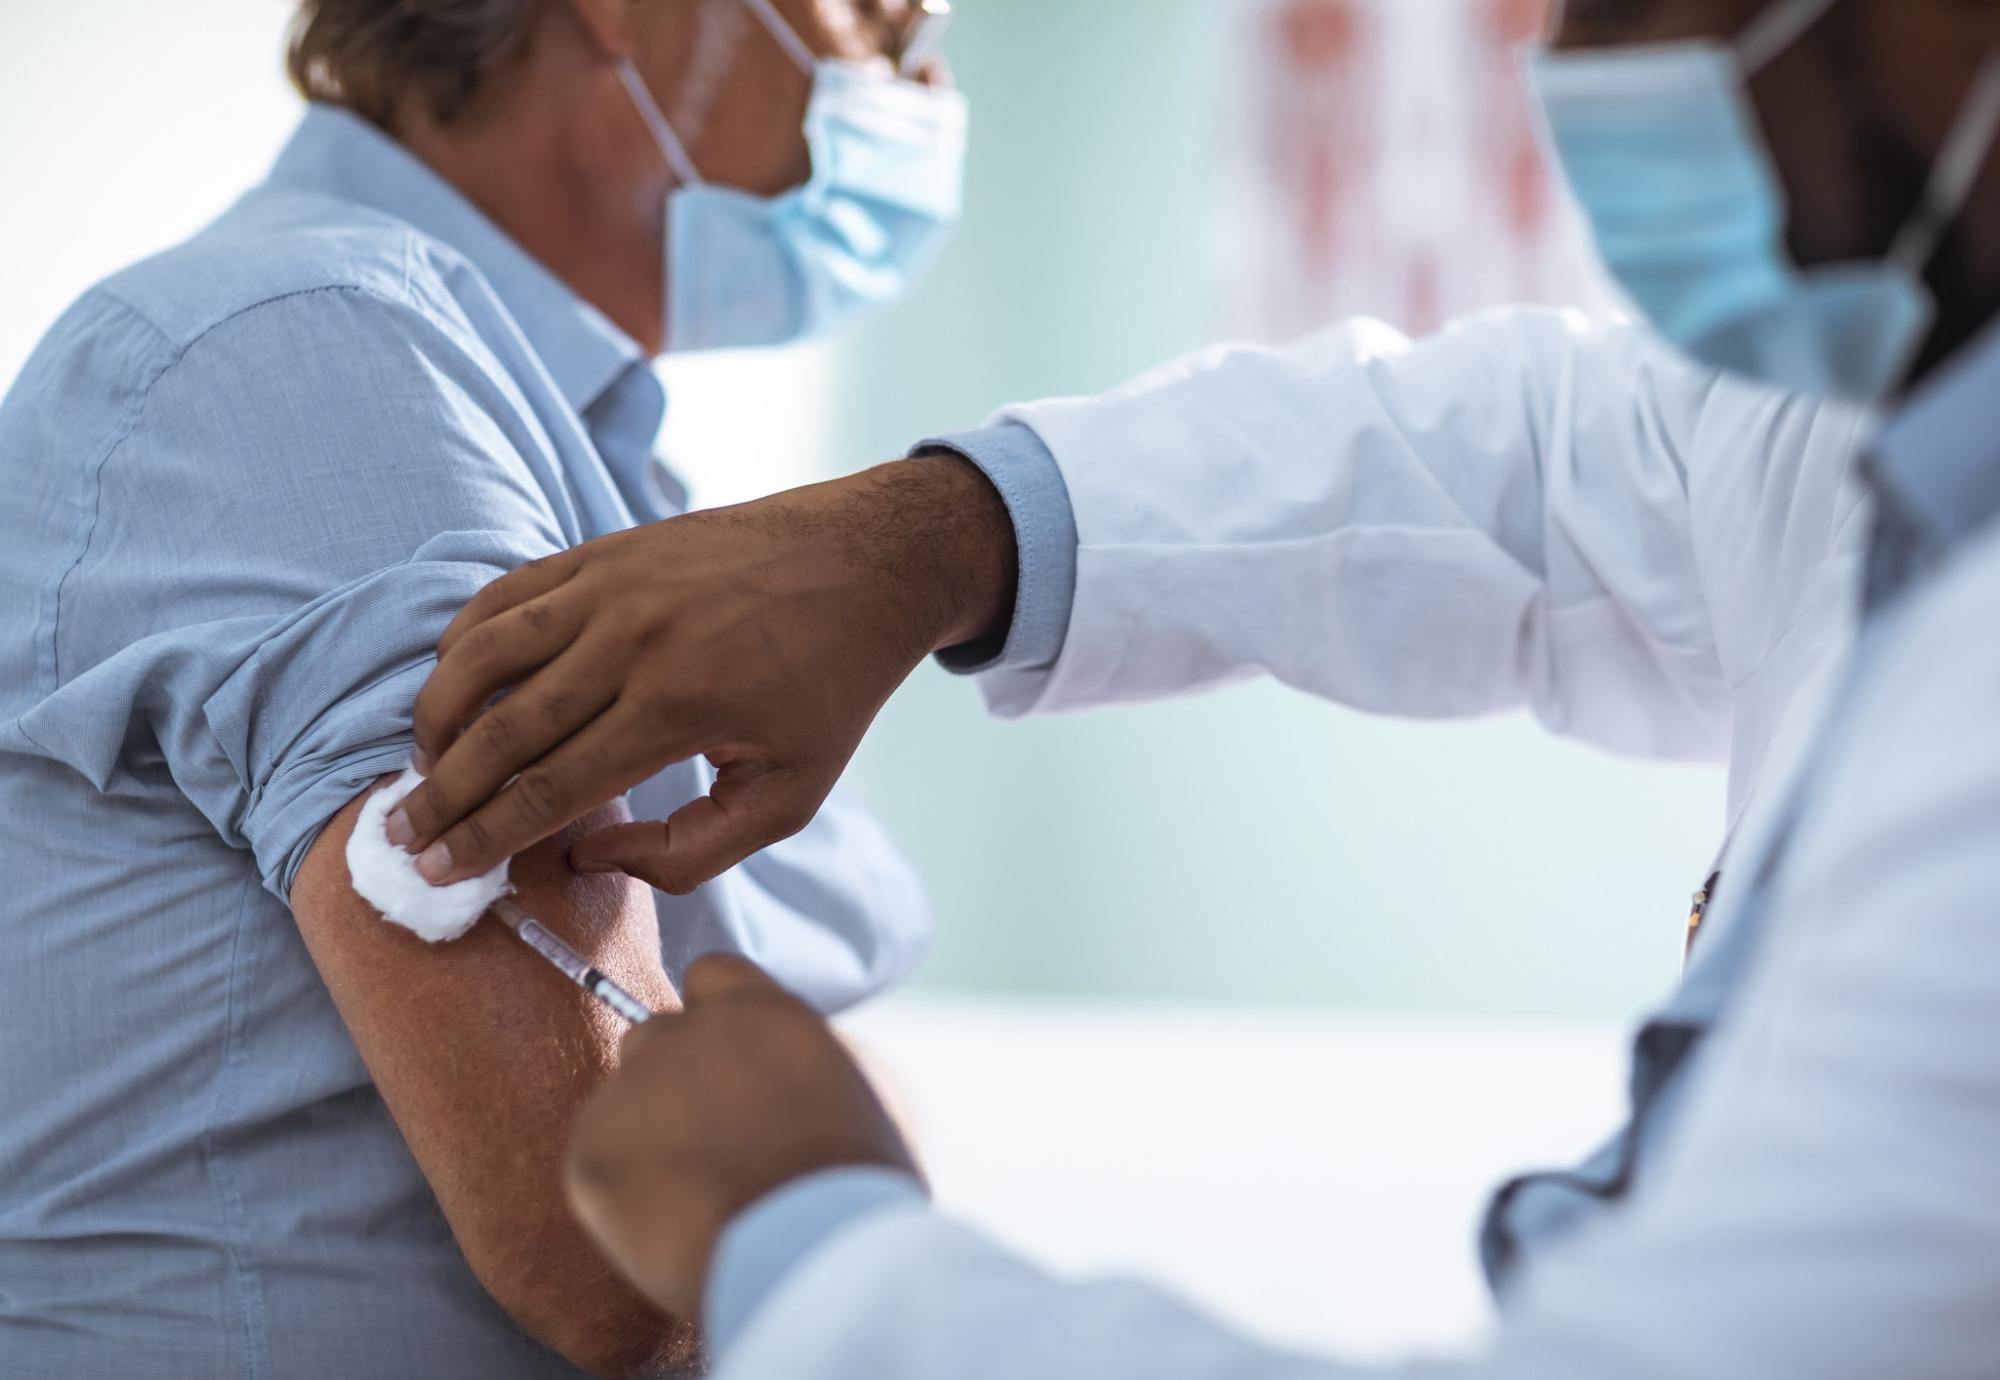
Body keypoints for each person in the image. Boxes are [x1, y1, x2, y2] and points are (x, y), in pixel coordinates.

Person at [395, 0, 2000, 1374]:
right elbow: (1543, 456)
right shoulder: (1894, 413)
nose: (1572, 67)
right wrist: (945, 535)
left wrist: (822, 1260)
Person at [0, 0, 957, 1374]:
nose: (920, 77)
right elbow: (622, 1249)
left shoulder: (576, 450)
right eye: (877, 15)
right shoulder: (323, 354)